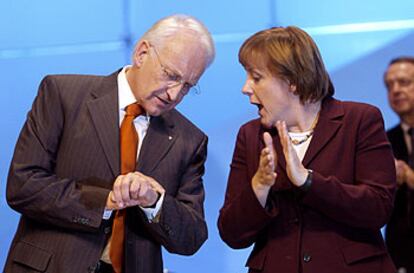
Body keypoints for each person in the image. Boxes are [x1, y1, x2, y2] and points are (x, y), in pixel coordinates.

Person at [4, 14, 215, 273]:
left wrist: (154, 202)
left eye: (187, 86)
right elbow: (23, 186)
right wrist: (106, 200)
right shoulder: (62, 95)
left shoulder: (189, 140)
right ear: (142, 53)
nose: (174, 94)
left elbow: (191, 237)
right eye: (171, 75)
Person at [217, 26, 396, 273]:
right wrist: (258, 187)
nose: (245, 88)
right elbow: (232, 234)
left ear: (291, 81)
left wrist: (308, 181)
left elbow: (378, 208)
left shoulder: (360, 120)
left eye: (256, 77)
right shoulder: (250, 135)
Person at [384, 57, 414, 273]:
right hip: (401, 255)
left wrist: (409, 176)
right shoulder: (383, 141)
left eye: (403, 82)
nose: (395, 90)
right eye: (389, 85)